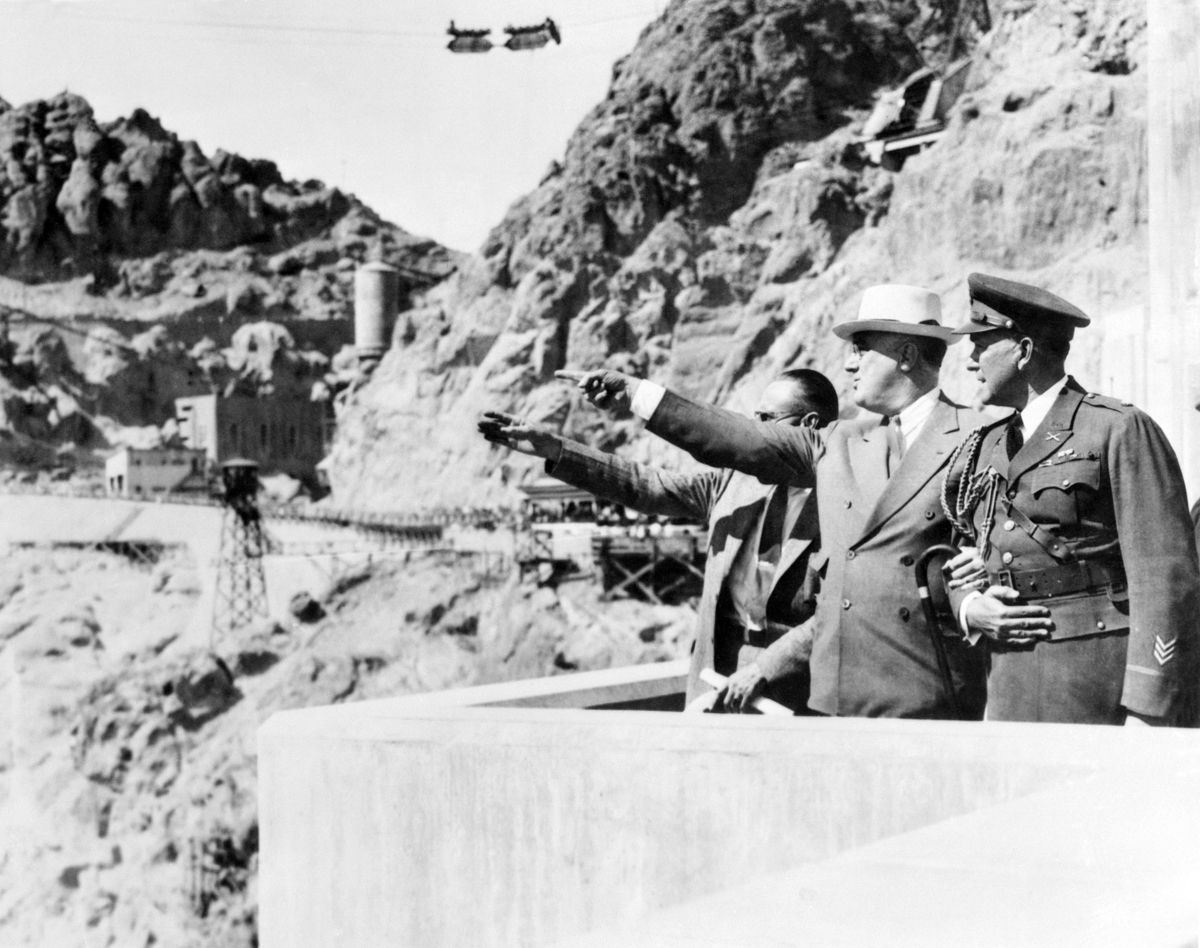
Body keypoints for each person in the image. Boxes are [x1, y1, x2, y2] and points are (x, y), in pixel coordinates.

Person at [562, 284, 989, 720]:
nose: (848, 363)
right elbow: (740, 439)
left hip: (930, 696)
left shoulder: (981, 436)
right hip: (838, 702)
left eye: (861, 349)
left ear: (906, 355)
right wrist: (637, 395)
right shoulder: (838, 440)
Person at [478, 369, 840, 712]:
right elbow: (647, 485)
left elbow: (838, 612)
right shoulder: (735, 481)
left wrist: (766, 669)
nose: (752, 430)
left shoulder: (845, 500)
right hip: (717, 673)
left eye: (766, 419)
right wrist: (555, 450)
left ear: (808, 426)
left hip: (795, 687)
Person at [943, 273, 1200, 726]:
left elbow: (1165, 575)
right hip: (1005, 682)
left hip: (1094, 681)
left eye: (982, 344)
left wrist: (1148, 705)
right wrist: (968, 602)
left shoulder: (1116, 429)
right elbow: (965, 552)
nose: (970, 360)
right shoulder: (985, 445)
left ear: (1023, 351)